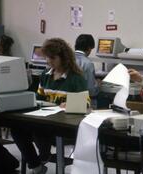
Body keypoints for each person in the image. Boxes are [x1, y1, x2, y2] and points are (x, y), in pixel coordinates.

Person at [11, 38, 87, 174]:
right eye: (47, 57)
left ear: (63, 57)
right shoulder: (45, 76)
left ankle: (44, 157)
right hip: (44, 120)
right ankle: (36, 166)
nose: (49, 61)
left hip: (64, 125)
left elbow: (85, 104)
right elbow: (39, 99)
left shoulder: (76, 78)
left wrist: (70, 104)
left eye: (53, 58)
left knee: (39, 131)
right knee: (16, 129)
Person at [74, 34, 100, 109]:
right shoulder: (88, 63)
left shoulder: (68, 58)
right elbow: (91, 91)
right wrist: (98, 85)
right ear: (89, 48)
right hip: (83, 103)